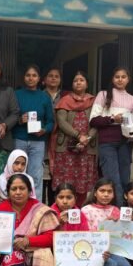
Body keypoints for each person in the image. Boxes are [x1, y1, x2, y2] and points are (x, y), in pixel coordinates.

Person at [51, 183, 110, 266]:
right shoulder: (51, 213)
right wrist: (59, 224)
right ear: (55, 198)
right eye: (61, 197)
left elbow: (85, 236)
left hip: (77, 249)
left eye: (69, 197)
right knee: (65, 261)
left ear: (75, 199)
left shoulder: (79, 214)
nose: (65, 201)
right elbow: (49, 237)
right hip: (58, 252)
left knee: (88, 259)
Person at [81, 179, 133, 266]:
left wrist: (130, 221)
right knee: (111, 265)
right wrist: (104, 224)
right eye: (102, 191)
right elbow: (85, 233)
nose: (106, 194)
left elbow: (123, 232)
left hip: (112, 248)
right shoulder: (86, 210)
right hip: (94, 248)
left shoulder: (115, 210)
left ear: (114, 194)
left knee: (125, 265)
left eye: (109, 191)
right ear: (95, 193)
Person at [89, 67, 133, 205]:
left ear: (128, 79)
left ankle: (124, 211)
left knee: (124, 179)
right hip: (107, 142)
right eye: (117, 77)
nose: (120, 79)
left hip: (125, 142)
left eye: (123, 77)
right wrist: (112, 119)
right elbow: (93, 120)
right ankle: (115, 210)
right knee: (112, 180)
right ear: (112, 79)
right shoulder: (103, 95)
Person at [50, 71, 97, 207]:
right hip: (66, 148)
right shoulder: (65, 100)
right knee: (65, 182)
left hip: (86, 148)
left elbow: (96, 122)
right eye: (76, 80)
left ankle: (79, 211)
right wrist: (78, 136)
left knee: (83, 183)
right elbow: (61, 122)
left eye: (82, 80)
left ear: (87, 84)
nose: (78, 82)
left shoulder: (93, 102)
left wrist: (87, 138)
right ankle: (62, 210)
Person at [13, 65, 54, 202]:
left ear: (39, 78)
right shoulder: (16, 95)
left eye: (34, 75)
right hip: (20, 139)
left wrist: (44, 130)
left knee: (36, 176)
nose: (31, 78)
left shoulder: (44, 97)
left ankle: (35, 206)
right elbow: (11, 116)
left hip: (38, 142)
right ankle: (17, 203)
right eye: (28, 75)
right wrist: (20, 120)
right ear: (24, 77)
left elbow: (51, 121)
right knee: (18, 174)